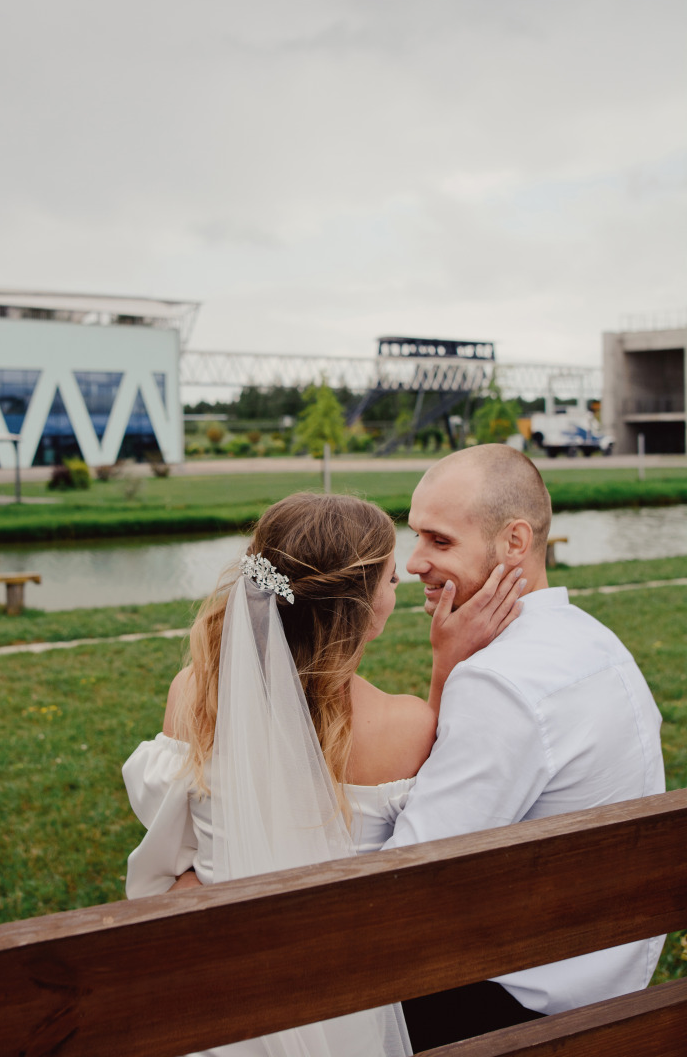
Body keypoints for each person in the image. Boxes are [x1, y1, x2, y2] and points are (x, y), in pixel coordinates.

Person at [123, 491, 522, 1057]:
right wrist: (446, 665)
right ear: (362, 610)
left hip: (209, 997)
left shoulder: (192, 695)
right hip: (339, 1007)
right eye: (388, 577)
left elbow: (172, 832)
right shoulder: (404, 726)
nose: (400, 583)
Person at [388, 444, 666, 1049]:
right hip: (608, 978)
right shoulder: (594, 639)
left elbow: (401, 883)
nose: (413, 563)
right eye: (415, 538)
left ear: (515, 543)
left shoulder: (500, 683)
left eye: (439, 542)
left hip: (519, 1005)